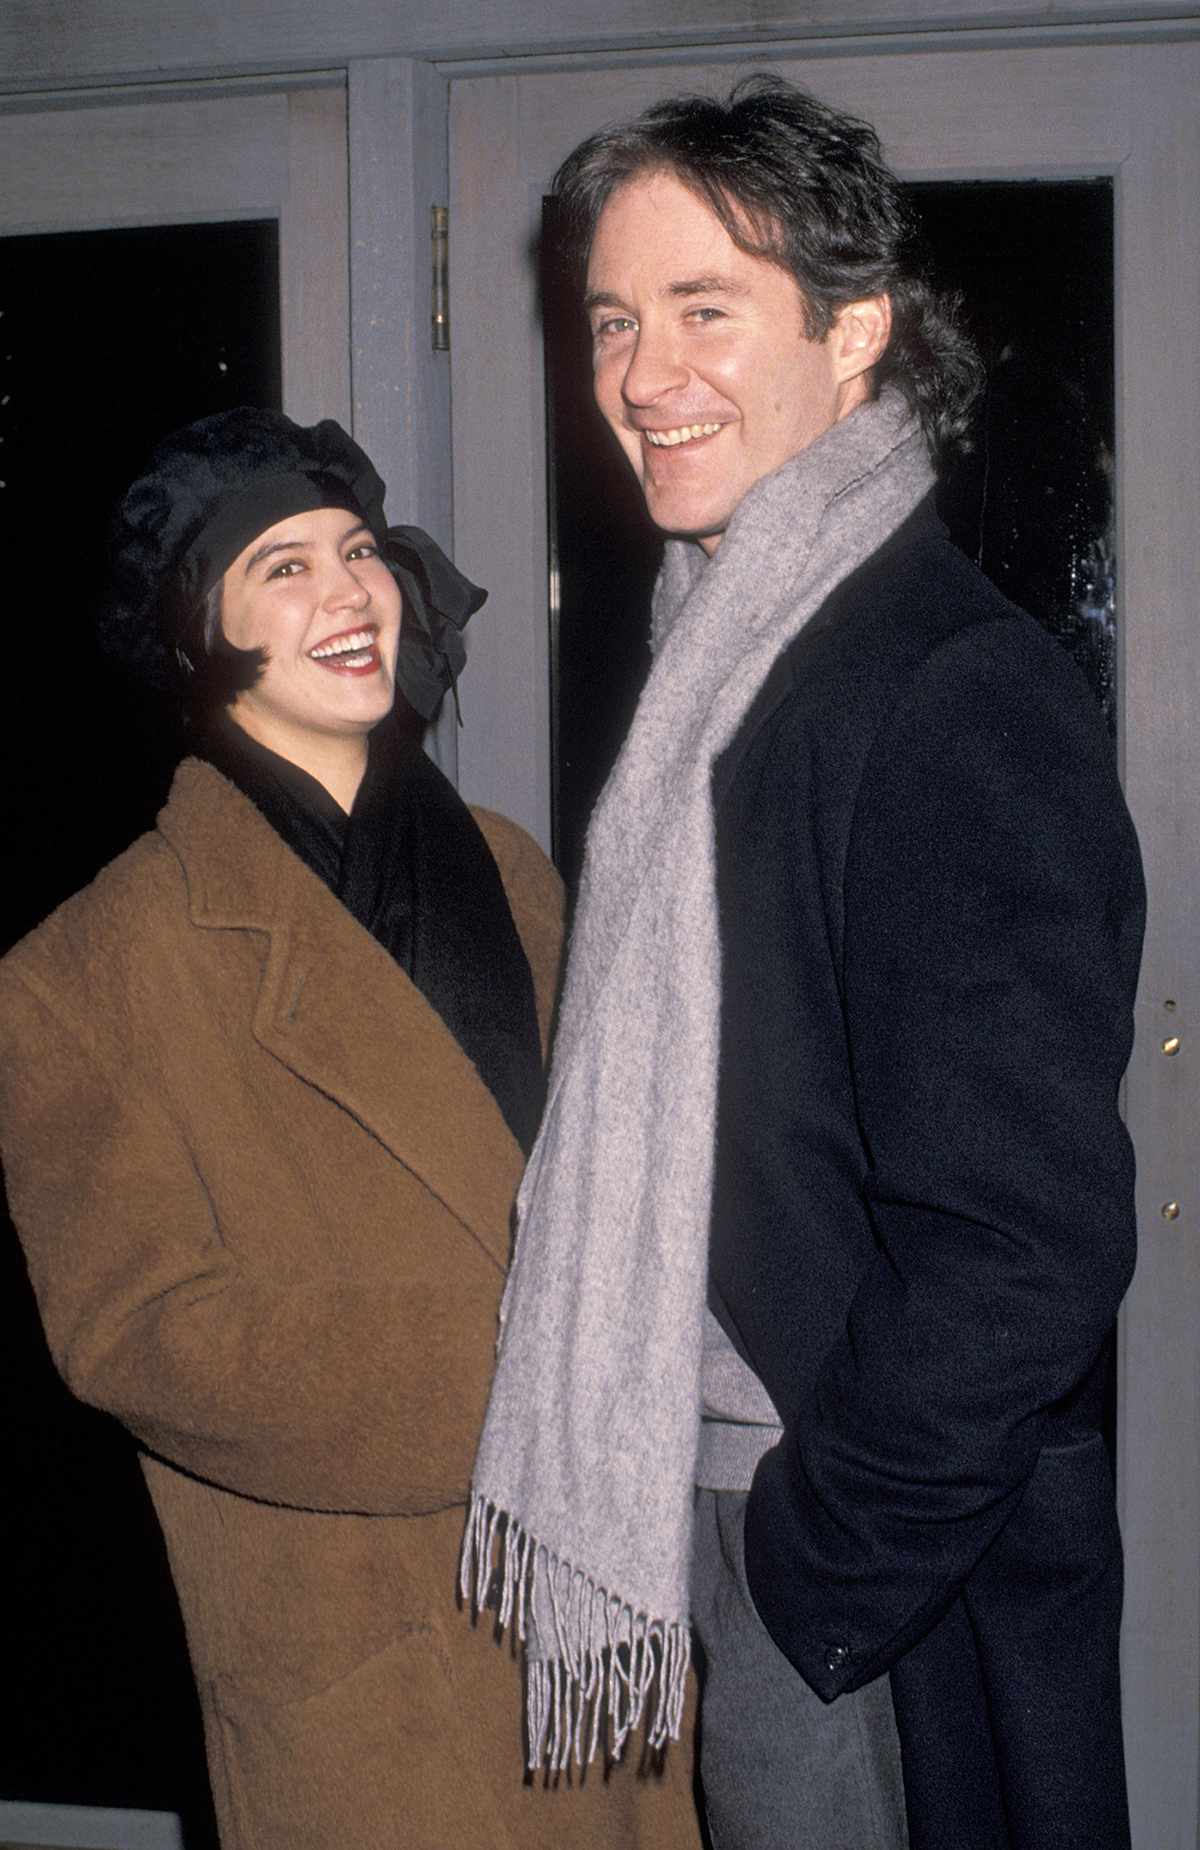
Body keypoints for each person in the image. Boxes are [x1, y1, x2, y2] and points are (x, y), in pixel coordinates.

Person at [464, 77, 1145, 1850]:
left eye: (706, 309)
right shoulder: (734, 653)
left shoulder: (939, 687)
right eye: (615, 319)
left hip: (863, 1565)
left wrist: (803, 1564)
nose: (640, 373)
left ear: (854, 335)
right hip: (744, 1490)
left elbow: (1024, 1243)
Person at [0, 408, 700, 1850]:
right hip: (371, 1671)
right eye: (283, 565)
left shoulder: (506, 866)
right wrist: (527, 1368)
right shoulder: (85, 972)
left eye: (360, 549)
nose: (350, 591)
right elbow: (140, 1331)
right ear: (198, 630)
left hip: (596, 1627)